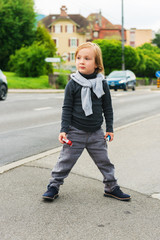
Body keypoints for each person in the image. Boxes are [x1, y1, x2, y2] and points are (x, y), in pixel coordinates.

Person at [43, 42, 131, 201]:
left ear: (97, 64)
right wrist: (63, 130)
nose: (81, 61)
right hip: (75, 132)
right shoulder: (72, 84)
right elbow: (67, 108)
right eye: (78, 58)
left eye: (87, 58)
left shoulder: (102, 83)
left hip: (96, 132)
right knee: (65, 161)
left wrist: (109, 129)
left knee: (105, 162)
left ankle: (111, 187)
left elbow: (107, 108)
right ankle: (53, 186)